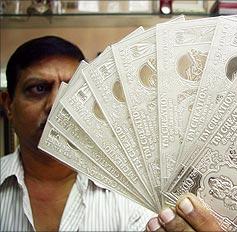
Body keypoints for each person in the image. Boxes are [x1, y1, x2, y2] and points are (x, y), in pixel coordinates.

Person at [0, 36, 221, 231]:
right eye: (38, 88)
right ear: (8, 104)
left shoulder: (134, 196)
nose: (57, 104)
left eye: (74, 89)